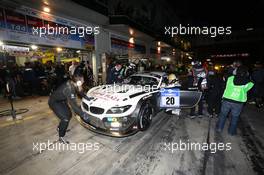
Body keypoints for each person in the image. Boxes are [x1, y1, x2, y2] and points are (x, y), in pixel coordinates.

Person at [48, 66, 89, 144]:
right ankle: (61, 136)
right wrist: (83, 114)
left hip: (61, 100)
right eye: (82, 79)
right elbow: (74, 106)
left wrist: (86, 97)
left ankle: (60, 127)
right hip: (54, 102)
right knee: (65, 118)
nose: (83, 80)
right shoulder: (69, 89)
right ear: (79, 81)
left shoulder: (75, 83)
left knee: (68, 115)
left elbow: (80, 91)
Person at [216, 66, 254, 135]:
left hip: (227, 100)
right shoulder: (249, 83)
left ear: (236, 71)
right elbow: (249, 88)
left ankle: (219, 128)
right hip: (238, 102)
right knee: (235, 117)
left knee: (223, 115)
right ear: (246, 73)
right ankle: (231, 132)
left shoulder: (230, 78)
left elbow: (224, 78)